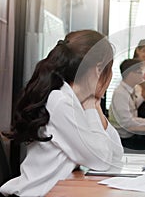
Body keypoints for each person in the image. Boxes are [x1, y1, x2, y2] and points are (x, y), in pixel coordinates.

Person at [0, 30, 124, 196]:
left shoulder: (73, 100)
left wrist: (95, 107)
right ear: (98, 69)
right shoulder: (60, 102)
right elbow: (101, 161)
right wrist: (90, 107)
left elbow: (115, 158)